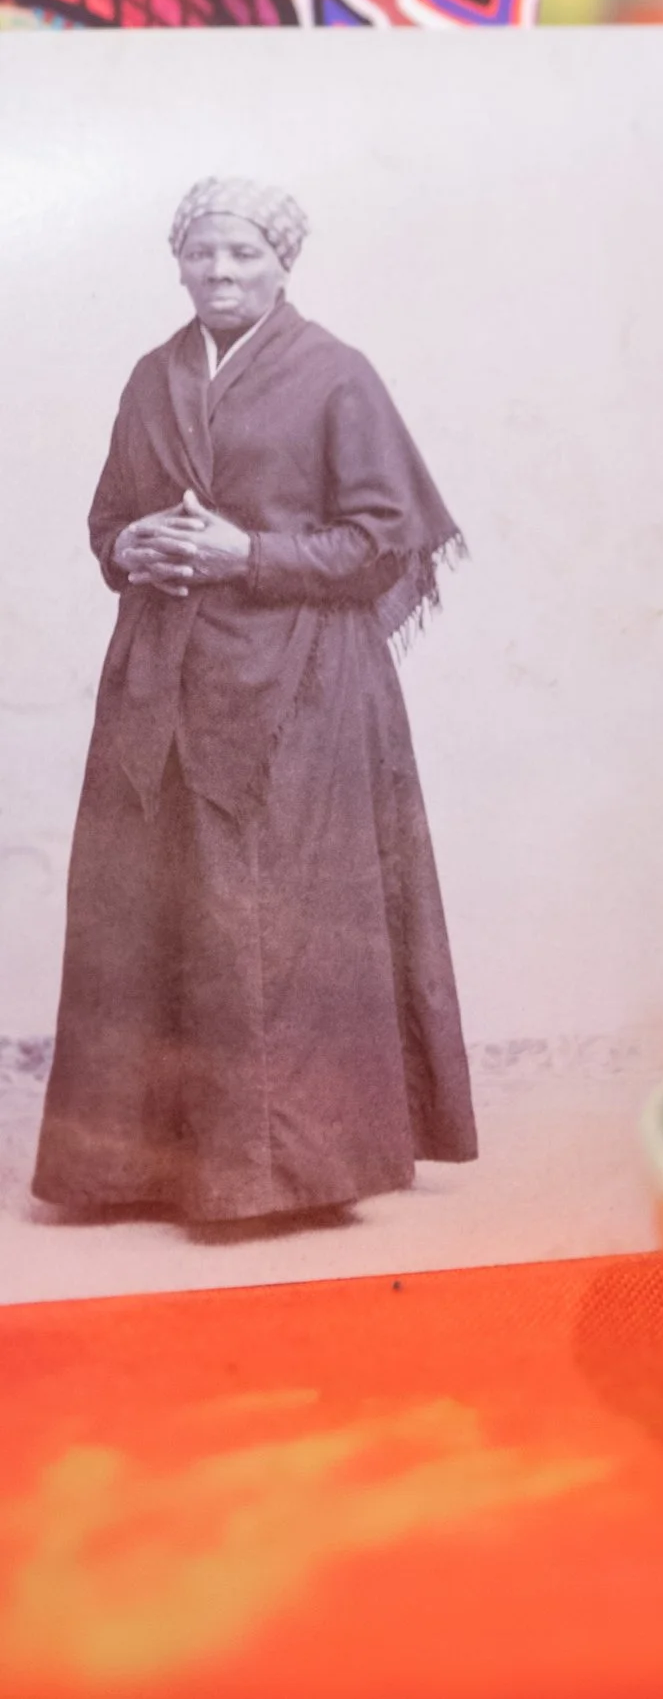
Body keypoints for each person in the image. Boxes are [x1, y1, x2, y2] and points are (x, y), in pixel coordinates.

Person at [33, 180, 474, 1229]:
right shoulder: (152, 375)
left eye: (242, 256)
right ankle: (137, 1169)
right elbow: (108, 520)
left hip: (299, 689)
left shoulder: (336, 376)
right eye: (203, 256)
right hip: (160, 682)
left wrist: (249, 552)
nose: (221, 274)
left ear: (283, 264)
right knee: (146, 908)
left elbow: (383, 541)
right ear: (179, 263)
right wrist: (127, 546)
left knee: (272, 915)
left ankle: (293, 1169)